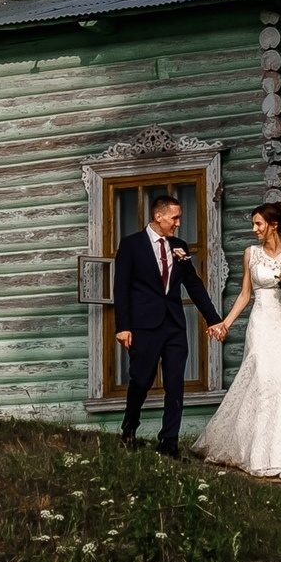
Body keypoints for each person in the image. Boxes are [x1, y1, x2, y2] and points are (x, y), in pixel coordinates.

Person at [196, 200, 281, 478]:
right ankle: (258, 455)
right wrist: (224, 324)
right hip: (261, 324)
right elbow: (245, 294)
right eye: (253, 224)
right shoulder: (251, 254)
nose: (254, 229)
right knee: (263, 381)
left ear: (274, 225)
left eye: (258, 223)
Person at [114, 192, 225, 455]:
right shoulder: (131, 245)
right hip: (143, 326)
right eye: (174, 218)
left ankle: (169, 443)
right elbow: (121, 288)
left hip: (174, 325)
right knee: (141, 380)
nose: (177, 222)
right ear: (158, 216)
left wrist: (213, 319)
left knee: (175, 383)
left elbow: (194, 285)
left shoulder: (180, 246)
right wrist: (123, 326)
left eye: (179, 218)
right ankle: (129, 428)